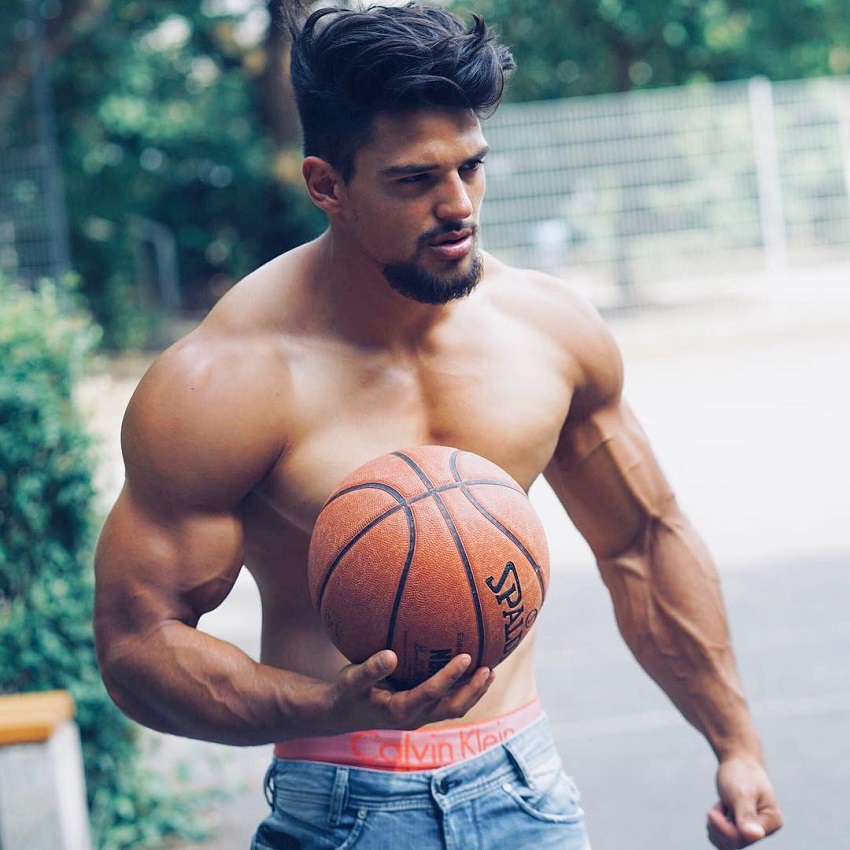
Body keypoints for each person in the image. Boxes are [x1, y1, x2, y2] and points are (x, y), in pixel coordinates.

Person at [93, 4, 783, 849]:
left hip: (527, 792)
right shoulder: (224, 382)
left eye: (472, 167)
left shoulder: (548, 331)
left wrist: (736, 743)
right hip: (343, 805)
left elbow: (641, 541)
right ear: (327, 184)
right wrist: (324, 704)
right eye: (414, 179)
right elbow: (138, 644)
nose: (459, 205)